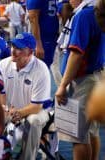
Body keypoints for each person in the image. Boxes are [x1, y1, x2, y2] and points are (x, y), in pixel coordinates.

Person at [55, 0, 105, 159]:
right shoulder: (97, 11)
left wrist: (63, 85)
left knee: (78, 137)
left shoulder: (84, 15)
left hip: (83, 80)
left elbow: (76, 53)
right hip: (96, 75)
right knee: (92, 132)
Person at [0, 32, 51, 160]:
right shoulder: (3, 64)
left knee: (33, 121)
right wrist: (4, 109)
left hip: (37, 110)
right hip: (11, 110)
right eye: (13, 46)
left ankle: (27, 158)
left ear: (30, 52)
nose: (13, 51)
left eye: (19, 49)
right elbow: (1, 94)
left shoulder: (41, 69)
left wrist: (18, 113)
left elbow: (37, 106)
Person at [26, 0, 59, 67]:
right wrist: (38, 44)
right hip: (43, 38)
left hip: (51, 37)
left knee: (47, 65)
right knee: (40, 68)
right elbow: (33, 17)